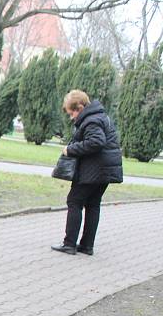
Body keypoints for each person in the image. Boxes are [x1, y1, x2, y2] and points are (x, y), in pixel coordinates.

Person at [51, 90, 123, 256]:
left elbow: (96, 142)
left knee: (74, 201)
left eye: (72, 113)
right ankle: (87, 246)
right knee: (93, 205)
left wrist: (70, 149)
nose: (72, 117)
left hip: (93, 170)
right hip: (105, 169)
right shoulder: (101, 116)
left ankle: (69, 244)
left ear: (80, 107)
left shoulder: (92, 120)